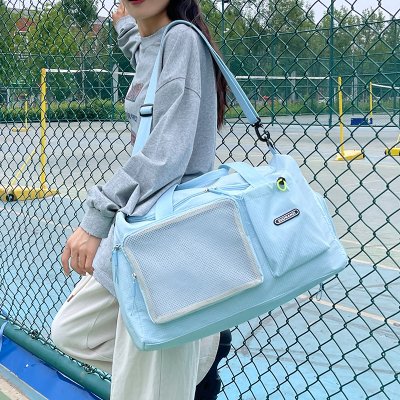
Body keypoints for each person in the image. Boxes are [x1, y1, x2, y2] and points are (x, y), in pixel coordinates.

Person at [50, 0, 231, 399]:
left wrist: (98, 216)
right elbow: (146, 56)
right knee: (73, 331)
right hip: (142, 233)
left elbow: (165, 155)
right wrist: (127, 29)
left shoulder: (182, 40)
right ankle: (198, 350)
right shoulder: (155, 43)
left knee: (144, 386)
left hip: (169, 242)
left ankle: (194, 348)